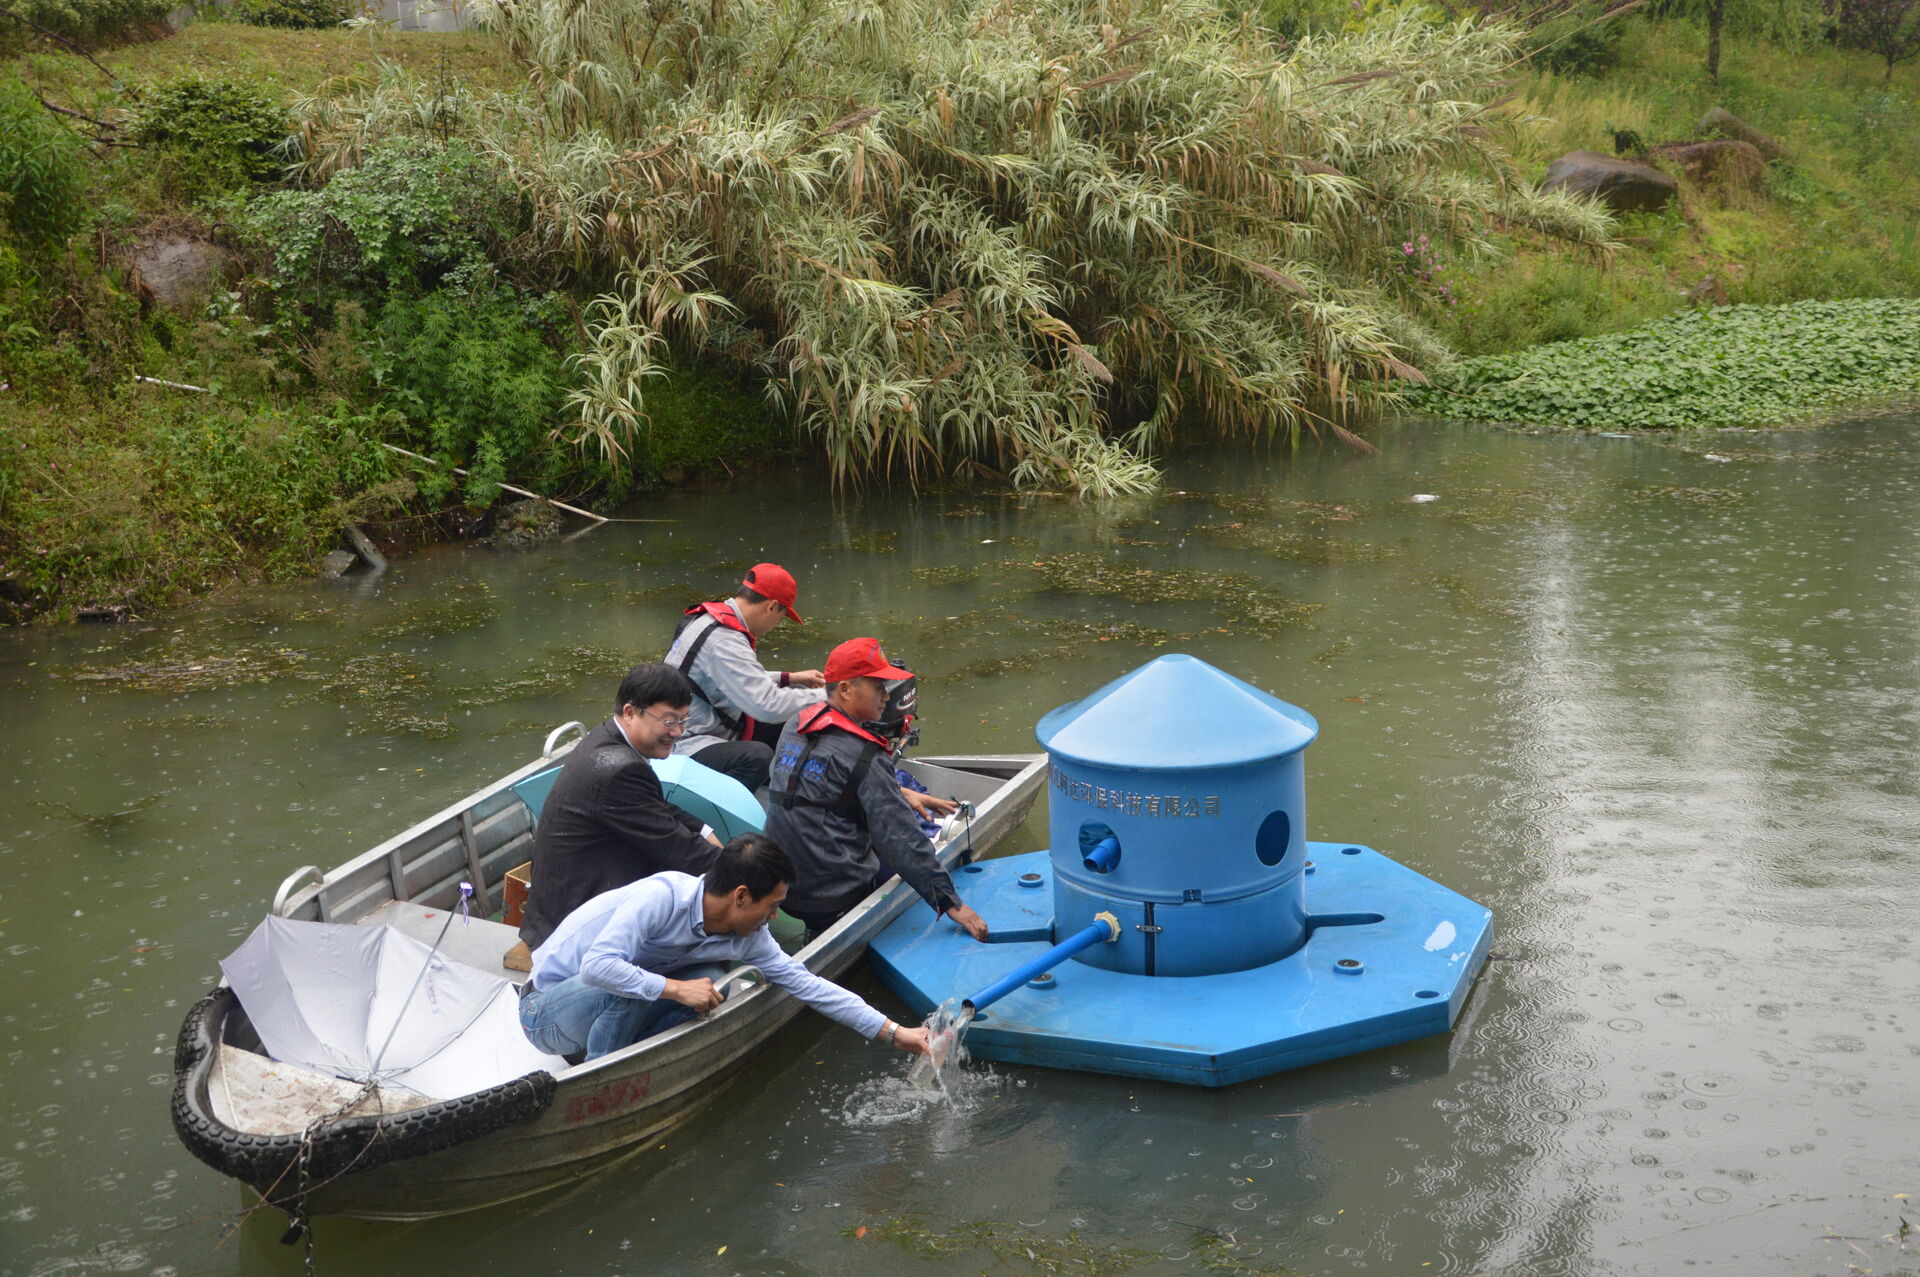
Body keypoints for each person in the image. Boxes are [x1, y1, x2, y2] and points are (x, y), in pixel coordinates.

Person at [519, 834, 931, 1062]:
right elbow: (596, 968)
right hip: (544, 1011)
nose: (773, 918)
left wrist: (895, 1033)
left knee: (718, 986)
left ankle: (640, 1056)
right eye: (771, 907)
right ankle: (601, 1073)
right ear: (740, 897)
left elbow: (808, 985)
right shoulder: (662, 898)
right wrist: (676, 989)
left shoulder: (748, 935)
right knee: (631, 985)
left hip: (598, 1008)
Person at [763, 637, 990, 942]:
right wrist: (950, 902)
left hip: (779, 883)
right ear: (845, 689)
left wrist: (898, 791)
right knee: (914, 846)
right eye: (878, 687)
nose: (887, 697)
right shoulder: (865, 755)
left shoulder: (795, 725)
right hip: (833, 897)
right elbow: (901, 839)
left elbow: (811, 784)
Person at [517, 663, 720, 953]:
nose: (677, 732)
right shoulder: (619, 769)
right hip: (572, 924)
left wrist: (703, 829)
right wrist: (737, 872)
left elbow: (656, 806)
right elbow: (677, 847)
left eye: (682, 721)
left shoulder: (605, 740)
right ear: (629, 712)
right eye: (668, 721)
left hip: (557, 906)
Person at [664, 563, 825, 792]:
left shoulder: (709, 620)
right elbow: (768, 706)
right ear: (772, 607)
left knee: (788, 717)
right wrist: (832, 696)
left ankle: (778, 786)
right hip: (683, 743)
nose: (775, 625)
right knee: (757, 756)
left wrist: (790, 678)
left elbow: (732, 678)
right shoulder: (726, 641)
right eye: (780, 618)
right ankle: (725, 813)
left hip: (688, 725)